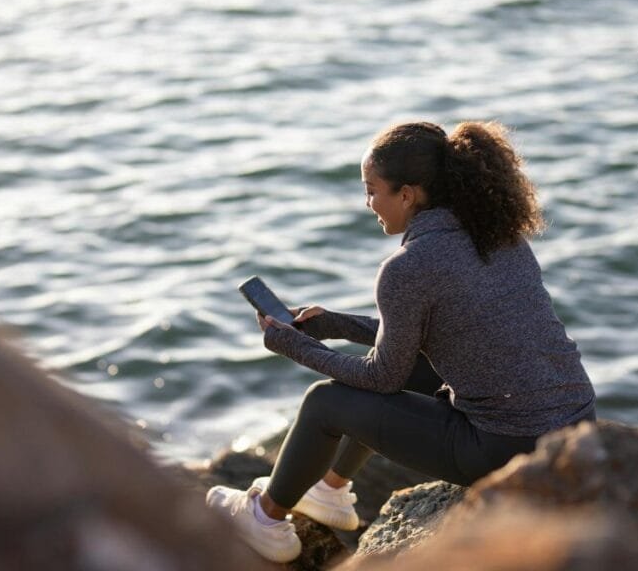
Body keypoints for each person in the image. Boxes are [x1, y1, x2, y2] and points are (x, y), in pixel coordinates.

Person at [206, 121, 596, 563]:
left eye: (372, 190)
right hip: (575, 428)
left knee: (326, 401)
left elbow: (382, 375)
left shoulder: (407, 268)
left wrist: (294, 346)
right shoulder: (498, 234)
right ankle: (328, 491)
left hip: (508, 448)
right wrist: (335, 324)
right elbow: (439, 332)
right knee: (403, 367)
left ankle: (265, 519)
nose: (368, 203)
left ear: (407, 195)